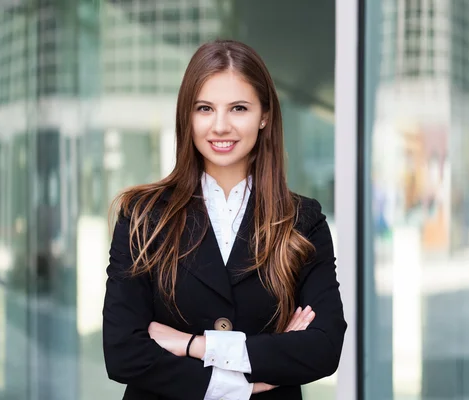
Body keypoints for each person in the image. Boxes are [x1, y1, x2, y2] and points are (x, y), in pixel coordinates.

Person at [102, 39, 347, 400]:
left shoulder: (302, 221)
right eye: (205, 108)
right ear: (187, 115)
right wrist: (242, 383)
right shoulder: (143, 215)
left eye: (238, 108)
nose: (220, 126)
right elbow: (123, 351)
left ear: (264, 115)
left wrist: (193, 345)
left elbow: (323, 348)